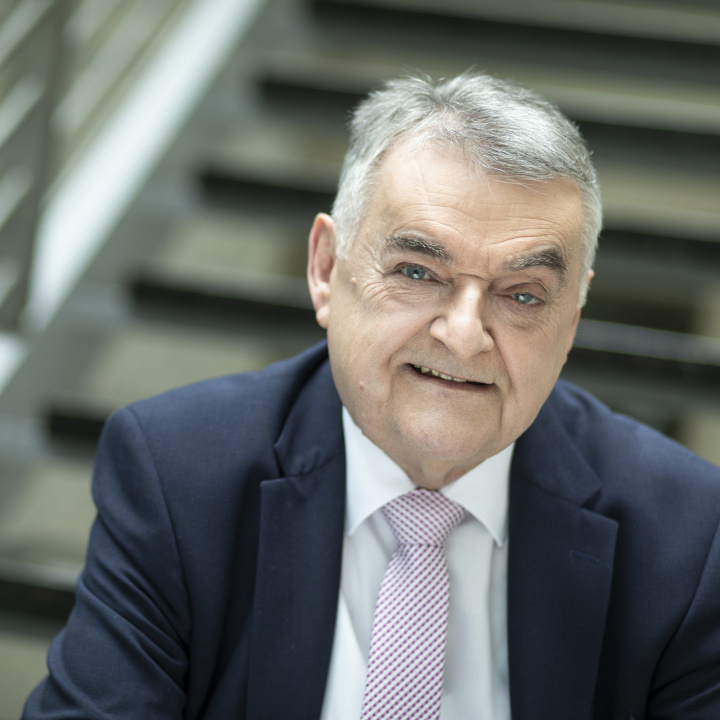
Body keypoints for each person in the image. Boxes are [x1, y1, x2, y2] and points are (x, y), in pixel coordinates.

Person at [22, 72, 720, 719]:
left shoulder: (686, 538)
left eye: (522, 295)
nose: (465, 333)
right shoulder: (179, 475)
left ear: (572, 317)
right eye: (419, 272)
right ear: (326, 269)